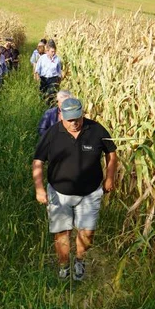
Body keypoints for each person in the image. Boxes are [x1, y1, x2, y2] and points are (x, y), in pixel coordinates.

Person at [32, 97, 117, 282]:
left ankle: (80, 261)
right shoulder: (52, 133)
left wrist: (110, 177)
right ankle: (64, 267)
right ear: (61, 115)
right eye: (70, 119)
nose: (74, 123)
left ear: (82, 113)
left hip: (90, 192)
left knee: (87, 231)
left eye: (77, 118)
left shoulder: (96, 129)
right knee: (62, 232)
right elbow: (38, 161)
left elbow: (111, 152)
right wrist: (39, 188)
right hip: (59, 193)